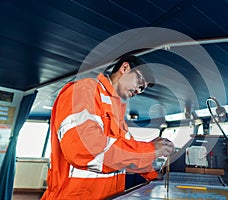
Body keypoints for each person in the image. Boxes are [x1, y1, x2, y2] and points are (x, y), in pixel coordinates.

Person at [41, 54, 175, 199]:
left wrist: (156, 175)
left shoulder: (117, 111)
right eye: (140, 82)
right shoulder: (84, 90)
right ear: (125, 68)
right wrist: (150, 150)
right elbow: (85, 149)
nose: (139, 90)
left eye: (143, 89)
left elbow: (125, 156)